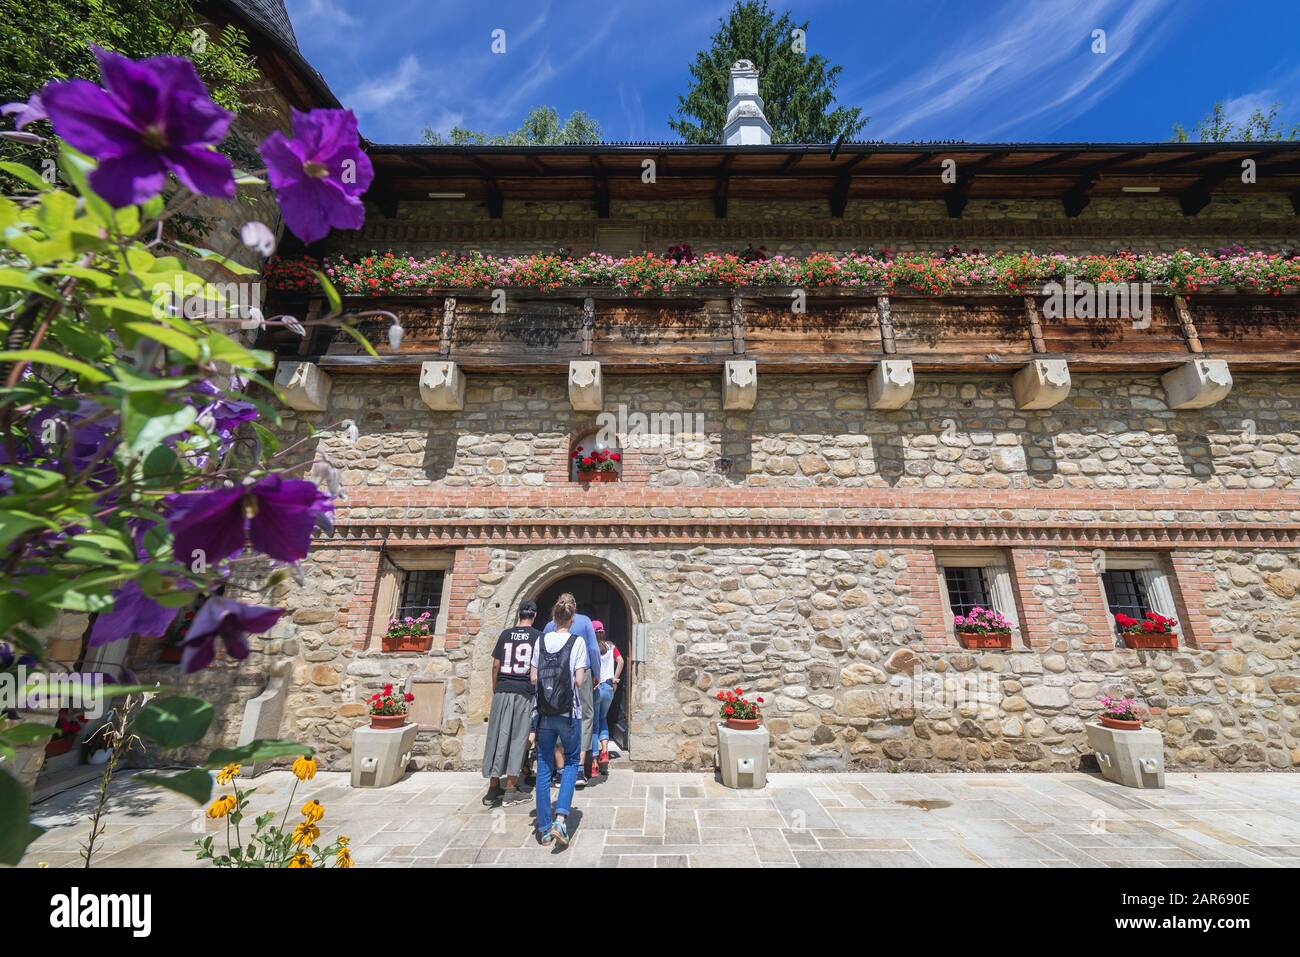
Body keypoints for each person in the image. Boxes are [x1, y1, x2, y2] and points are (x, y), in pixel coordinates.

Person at [532, 594, 587, 847]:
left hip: (544, 713)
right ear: (572, 619)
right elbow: (579, 681)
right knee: (572, 761)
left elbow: (533, 678)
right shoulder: (577, 642)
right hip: (569, 713)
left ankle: (543, 828)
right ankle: (561, 820)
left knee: (544, 765)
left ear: (554, 617)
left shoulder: (541, 640)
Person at [482, 600, 542, 806]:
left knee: (496, 736)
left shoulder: (505, 634)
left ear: (519, 614)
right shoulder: (537, 637)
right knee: (518, 737)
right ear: (534, 615)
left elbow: (496, 664)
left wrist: (495, 687)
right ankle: (511, 788)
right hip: (523, 692)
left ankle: (492, 787)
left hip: (502, 689)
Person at [541, 593, 600, 784]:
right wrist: (597, 673)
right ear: (575, 606)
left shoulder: (550, 625)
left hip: (554, 677)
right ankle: (580, 769)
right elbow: (593, 649)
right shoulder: (584, 621)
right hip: (581, 673)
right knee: (586, 716)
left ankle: (559, 769)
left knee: (556, 714)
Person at [589, 620, 623, 775]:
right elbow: (620, 661)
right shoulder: (611, 646)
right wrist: (615, 679)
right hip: (609, 687)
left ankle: (595, 763)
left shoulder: (592, 648)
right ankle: (605, 752)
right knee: (603, 718)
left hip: (596, 688)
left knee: (594, 723)